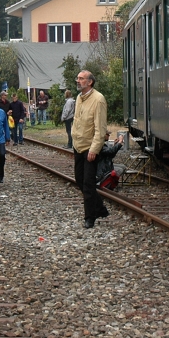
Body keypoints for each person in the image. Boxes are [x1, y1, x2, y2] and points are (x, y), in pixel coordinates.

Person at [72, 70, 108, 229]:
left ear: (90, 82)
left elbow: (100, 128)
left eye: (81, 79)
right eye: (78, 78)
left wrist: (94, 149)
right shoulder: (79, 98)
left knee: (88, 183)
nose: (78, 81)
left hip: (90, 147)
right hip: (78, 145)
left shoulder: (98, 100)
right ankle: (100, 208)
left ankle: (90, 217)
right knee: (79, 179)